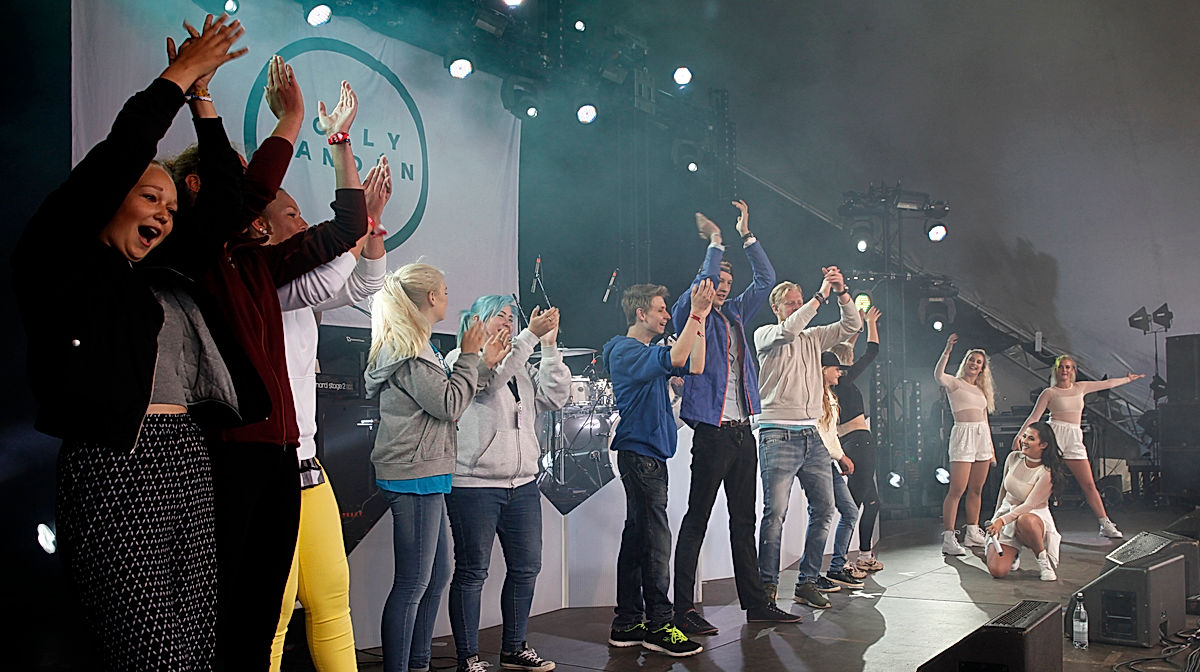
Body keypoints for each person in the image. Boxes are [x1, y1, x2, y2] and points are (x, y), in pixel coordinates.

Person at [11, 16, 255, 670]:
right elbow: (120, 151)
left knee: (199, 648)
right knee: (153, 655)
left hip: (186, 460)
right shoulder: (59, 257)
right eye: (151, 197)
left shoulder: (158, 274)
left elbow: (227, 202)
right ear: (110, 199)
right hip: (114, 464)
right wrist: (175, 80)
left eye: (172, 208)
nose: (164, 215)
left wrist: (205, 98)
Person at [165, 63, 372, 666]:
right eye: (228, 180)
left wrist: (339, 149)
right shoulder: (196, 254)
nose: (250, 198)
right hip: (229, 450)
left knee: (262, 612)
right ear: (202, 190)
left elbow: (349, 228)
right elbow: (244, 197)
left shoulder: (261, 265)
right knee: (238, 609)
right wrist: (287, 119)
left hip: (281, 454)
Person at [265, 153, 393, 671]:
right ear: (259, 224)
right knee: (270, 618)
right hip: (266, 474)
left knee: (331, 602)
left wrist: (372, 231)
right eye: (292, 215)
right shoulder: (263, 284)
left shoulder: (299, 290)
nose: (303, 222)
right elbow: (326, 278)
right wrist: (357, 225)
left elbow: (364, 285)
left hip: (308, 470)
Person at [365, 264, 509, 672]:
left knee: (436, 575)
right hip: (414, 472)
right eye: (444, 289)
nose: (448, 296)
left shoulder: (418, 349)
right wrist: (468, 356)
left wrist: (479, 365)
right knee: (413, 583)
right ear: (430, 298)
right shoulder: (410, 352)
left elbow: (450, 396)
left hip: (424, 470)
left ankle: (419, 662)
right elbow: (448, 405)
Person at [668, 201, 798, 636]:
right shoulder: (694, 311)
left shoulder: (738, 314)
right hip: (712, 432)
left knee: (743, 521)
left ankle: (757, 603)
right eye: (717, 280)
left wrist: (748, 236)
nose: (722, 287)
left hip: (744, 432)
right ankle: (682, 608)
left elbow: (767, 280)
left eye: (727, 282)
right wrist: (716, 245)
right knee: (697, 518)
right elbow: (698, 289)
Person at [444, 299, 569, 672]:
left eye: (511, 317)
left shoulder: (521, 365)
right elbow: (489, 381)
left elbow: (556, 397)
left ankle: (514, 649)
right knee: (472, 572)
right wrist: (531, 336)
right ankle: (468, 657)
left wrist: (548, 346)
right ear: (476, 320)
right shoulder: (459, 360)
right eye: (501, 314)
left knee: (526, 567)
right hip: (473, 484)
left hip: (523, 483)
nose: (509, 321)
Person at [603, 280, 714, 657]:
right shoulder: (625, 350)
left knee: (638, 540)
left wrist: (702, 319)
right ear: (641, 313)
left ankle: (627, 622)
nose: (668, 315)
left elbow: (695, 362)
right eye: (662, 309)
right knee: (655, 543)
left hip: (649, 458)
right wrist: (695, 313)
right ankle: (659, 625)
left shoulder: (646, 351)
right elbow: (680, 359)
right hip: (640, 458)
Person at [754, 269, 862, 609]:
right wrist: (819, 297)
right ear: (777, 307)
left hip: (809, 433)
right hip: (777, 433)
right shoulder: (767, 333)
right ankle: (766, 589)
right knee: (775, 514)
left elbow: (852, 327)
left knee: (826, 509)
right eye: (791, 303)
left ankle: (808, 580)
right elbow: (789, 330)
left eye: (800, 301)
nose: (798, 306)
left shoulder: (814, 338)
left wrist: (843, 294)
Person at [1012, 355, 1143, 539]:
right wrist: (1021, 435)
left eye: (1068, 367)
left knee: (1088, 483)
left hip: (1074, 437)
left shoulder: (1081, 387)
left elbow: (1106, 384)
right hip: (1054, 435)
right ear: (1056, 370)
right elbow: (1034, 418)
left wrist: (1128, 379)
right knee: (1041, 484)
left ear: (1073, 371)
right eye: (1061, 367)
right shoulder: (1049, 392)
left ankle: (1105, 523)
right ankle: (1024, 525)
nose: (1064, 370)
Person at [829, 307, 884, 573]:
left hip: (849, 444)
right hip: (860, 443)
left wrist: (855, 330)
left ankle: (864, 554)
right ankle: (840, 562)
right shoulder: (845, 379)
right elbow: (871, 352)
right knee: (853, 507)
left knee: (871, 502)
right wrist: (871, 323)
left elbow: (845, 350)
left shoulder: (830, 384)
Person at [934, 334, 996, 556]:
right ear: (966, 362)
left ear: (982, 369)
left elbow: (985, 418)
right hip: (963, 434)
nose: (974, 364)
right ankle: (949, 537)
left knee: (977, 488)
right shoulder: (955, 383)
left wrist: (991, 450)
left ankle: (972, 531)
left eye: (979, 362)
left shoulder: (981, 391)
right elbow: (938, 375)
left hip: (981, 437)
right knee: (957, 489)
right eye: (971, 360)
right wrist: (947, 350)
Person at [986, 422, 1066, 581]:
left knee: (1025, 520)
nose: (1024, 441)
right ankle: (1014, 553)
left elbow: (1028, 505)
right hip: (1007, 514)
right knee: (997, 571)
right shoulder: (1013, 457)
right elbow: (1003, 490)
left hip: (1032, 516)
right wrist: (996, 519)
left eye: (1031, 438)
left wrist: (1002, 521)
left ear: (1043, 445)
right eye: (1024, 436)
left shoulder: (1046, 472)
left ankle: (1043, 561)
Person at [816, 351, 865, 591]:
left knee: (850, 512)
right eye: (836, 368)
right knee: (822, 516)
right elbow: (820, 433)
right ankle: (811, 576)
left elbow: (831, 433)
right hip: (818, 461)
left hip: (829, 461)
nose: (840, 372)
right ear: (824, 369)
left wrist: (840, 456)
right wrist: (841, 456)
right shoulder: (813, 393)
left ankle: (836, 567)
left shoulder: (830, 396)